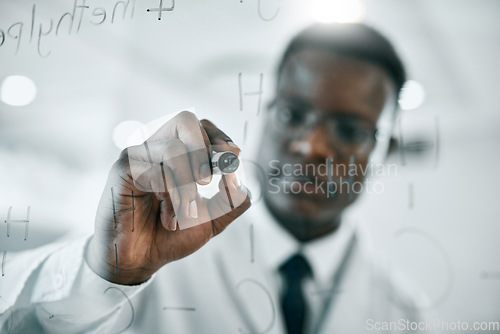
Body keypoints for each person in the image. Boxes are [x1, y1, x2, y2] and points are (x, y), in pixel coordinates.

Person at [0, 23, 426, 333]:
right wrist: (106, 272)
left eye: (349, 130)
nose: (310, 146)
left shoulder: (407, 317)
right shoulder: (154, 255)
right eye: (291, 114)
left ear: (384, 150)